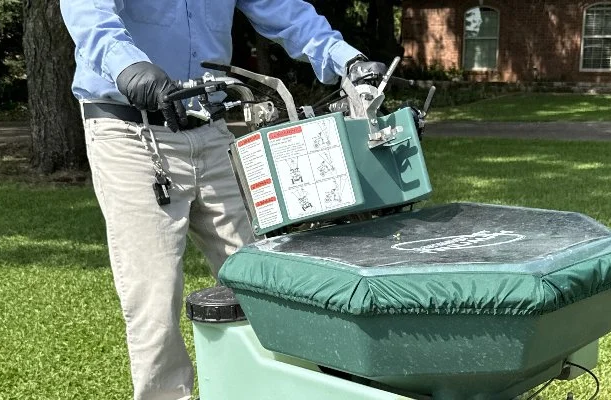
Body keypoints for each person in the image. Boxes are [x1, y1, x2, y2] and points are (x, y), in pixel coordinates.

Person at [59, 2, 385, 399]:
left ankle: (275, 390)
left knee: (262, 279)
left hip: (211, 129)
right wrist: (130, 67)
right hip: (131, 132)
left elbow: (281, 8)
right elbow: (90, 12)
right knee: (155, 298)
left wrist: (345, 58)